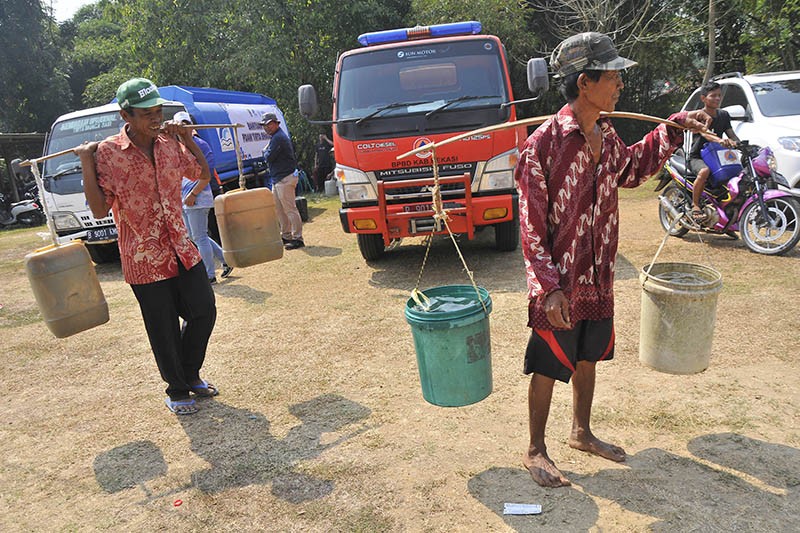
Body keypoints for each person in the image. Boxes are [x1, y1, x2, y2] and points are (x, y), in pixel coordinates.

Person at [514, 33, 711, 487]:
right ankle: (535, 449)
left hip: (599, 275)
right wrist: (548, 288)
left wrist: (675, 127)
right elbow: (530, 224)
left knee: (588, 356)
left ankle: (581, 432)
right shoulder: (542, 145)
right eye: (613, 76)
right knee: (548, 360)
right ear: (585, 83)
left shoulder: (605, 134)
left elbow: (633, 170)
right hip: (559, 283)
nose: (620, 85)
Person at [75, 78, 220, 416]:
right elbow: (99, 209)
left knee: (204, 310)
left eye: (158, 112)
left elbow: (201, 171)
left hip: (181, 247)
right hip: (143, 256)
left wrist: (187, 138)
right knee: (163, 327)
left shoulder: (170, 143)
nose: (155, 119)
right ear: (126, 115)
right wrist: (86, 160)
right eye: (146, 114)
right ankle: (178, 388)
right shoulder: (109, 154)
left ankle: (190, 372)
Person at [174, 111, 233, 283]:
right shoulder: (181, 147)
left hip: (197, 198)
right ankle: (225, 260)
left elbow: (205, 174)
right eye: (180, 124)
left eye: (185, 123)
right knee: (197, 236)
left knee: (199, 237)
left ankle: (209, 276)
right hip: (186, 198)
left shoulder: (199, 144)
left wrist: (193, 194)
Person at [688, 81, 740, 222]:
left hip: (718, 156)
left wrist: (739, 143)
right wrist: (720, 141)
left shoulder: (723, 115)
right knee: (704, 171)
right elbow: (705, 133)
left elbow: (732, 135)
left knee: (738, 172)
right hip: (698, 156)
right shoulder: (698, 116)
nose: (717, 98)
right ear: (703, 98)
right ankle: (696, 205)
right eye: (713, 96)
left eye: (719, 95)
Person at [260, 112, 304, 249]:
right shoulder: (275, 137)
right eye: (264, 126)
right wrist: (266, 151)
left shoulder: (278, 138)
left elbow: (268, 157)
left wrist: (265, 151)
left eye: (268, 125)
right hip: (278, 178)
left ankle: (298, 238)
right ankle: (286, 235)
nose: (266, 128)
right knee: (280, 210)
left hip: (285, 178)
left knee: (290, 209)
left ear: (276, 123)